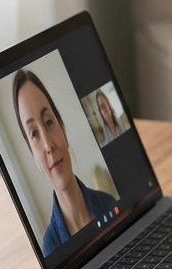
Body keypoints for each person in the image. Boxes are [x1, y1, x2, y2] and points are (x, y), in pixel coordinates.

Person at [12, 69, 118, 256]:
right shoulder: (50, 248)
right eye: (34, 134)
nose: (48, 145)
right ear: (33, 155)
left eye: (49, 122)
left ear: (63, 130)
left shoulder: (109, 204)